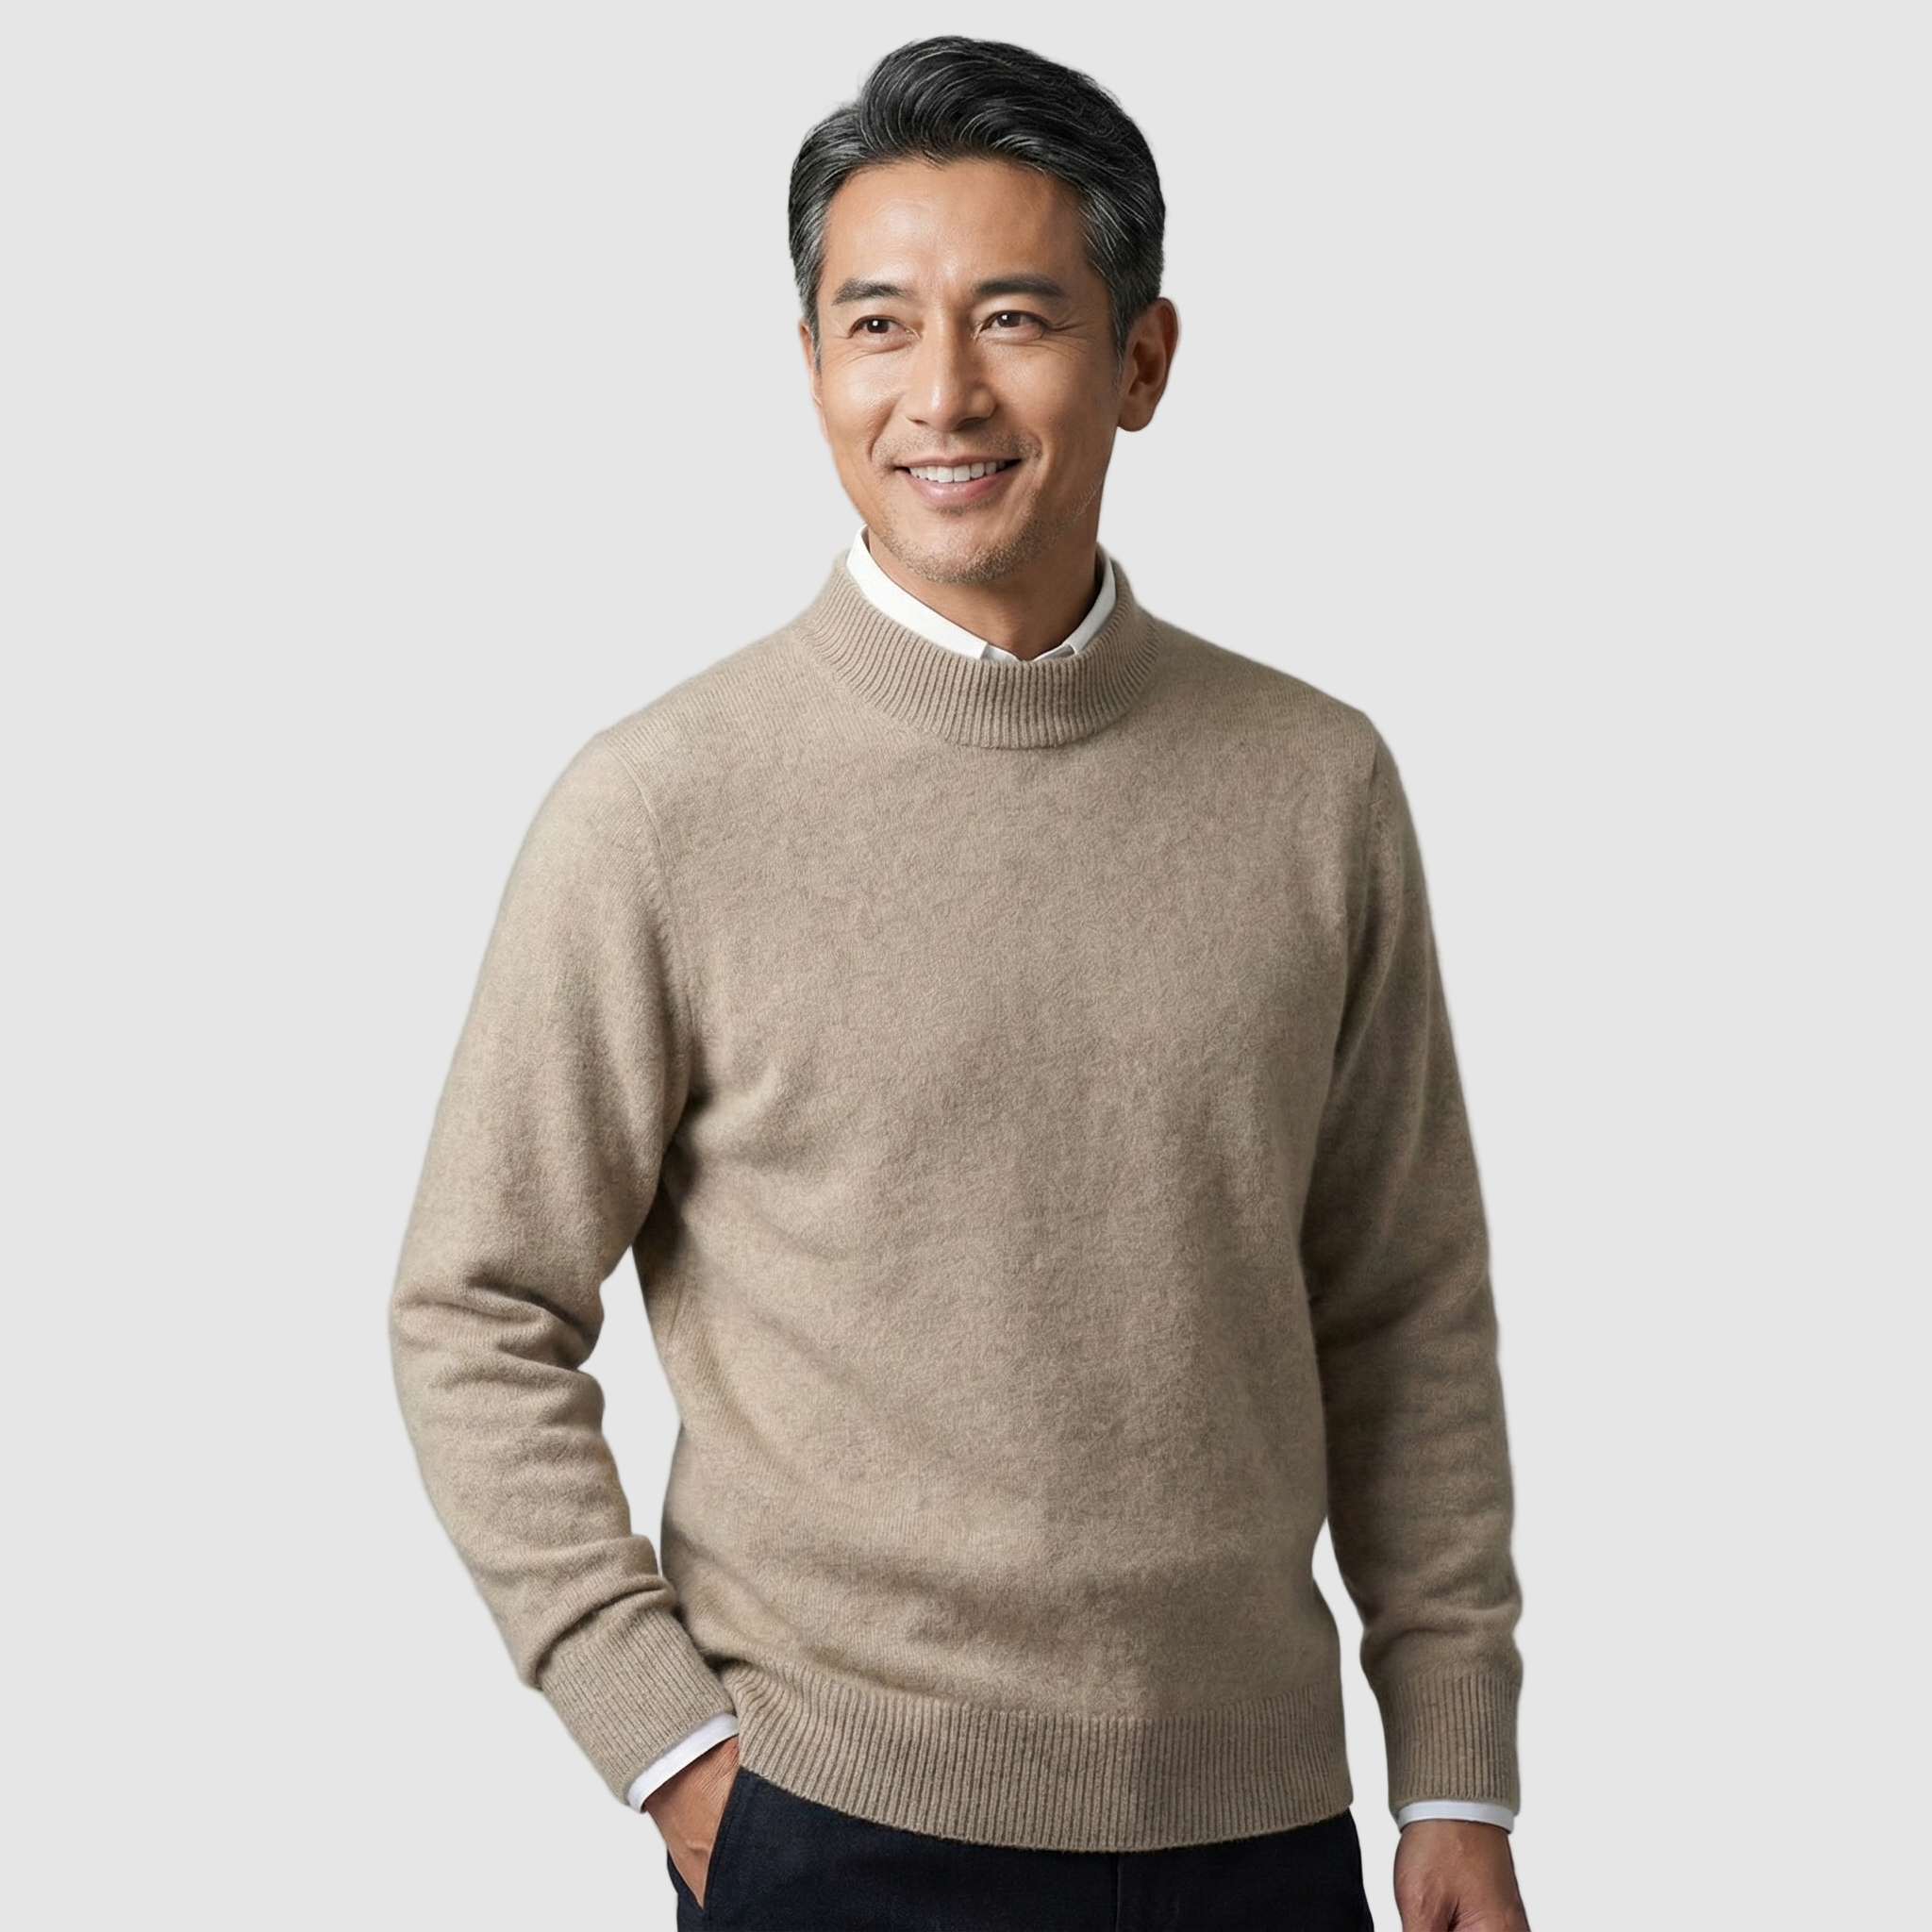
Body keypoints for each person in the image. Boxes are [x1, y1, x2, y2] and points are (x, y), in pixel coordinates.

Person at [391, 36, 1530, 1932]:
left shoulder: (1312, 784)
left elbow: (1401, 1300)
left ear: (1142, 361)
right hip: (832, 1823)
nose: (942, 394)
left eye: (1015, 318)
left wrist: (1456, 1768)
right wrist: (672, 1752)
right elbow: (473, 1304)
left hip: (1257, 1824)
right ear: (811, 366)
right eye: (877, 327)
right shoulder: (664, 807)